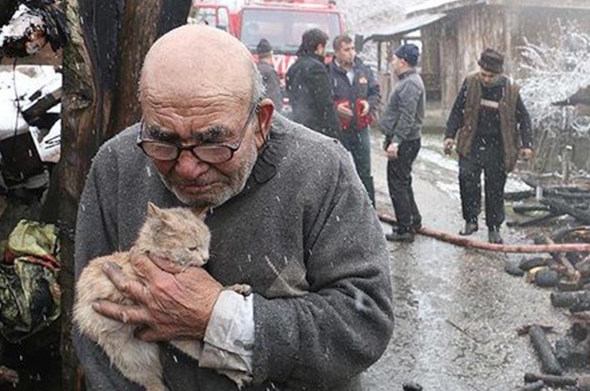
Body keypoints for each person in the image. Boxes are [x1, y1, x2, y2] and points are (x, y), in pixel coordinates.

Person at [73, 24, 393, 391]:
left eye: (214, 142)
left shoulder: (322, 169)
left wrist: (219, 318)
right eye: (164, 140)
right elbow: (92, 329)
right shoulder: (117, 163)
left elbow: (364, 323)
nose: (188, 167)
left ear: (261, 122)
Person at [443, 48, 535, 244]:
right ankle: (471, 220)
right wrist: (449, 135)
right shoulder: (470, 83)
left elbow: (524, 118)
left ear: (499, 74)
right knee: (466, 178)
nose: (485, 79)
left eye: (490, 76)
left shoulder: (510, 89)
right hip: (472, 142)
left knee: (495, 187)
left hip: (498, 146)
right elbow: (457, 110)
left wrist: (527, 144)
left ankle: (494, 228)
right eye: (483, 74)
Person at [378, 44, 425, 242]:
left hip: (405, 141)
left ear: (403, 61)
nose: (392, 62)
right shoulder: (408, 81)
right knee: (403, 181)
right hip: (405, 139)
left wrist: (396, 141)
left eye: (395, 59)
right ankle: (413, 219)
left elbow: (407, 116)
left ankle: (405, 228)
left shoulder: (410, 84)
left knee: (397, 184)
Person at [328, 34, 380, 206]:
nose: (351, 53)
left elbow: (375, 93)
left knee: (364, 170)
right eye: (346, 50)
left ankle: (369, 208)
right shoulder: (328, 72)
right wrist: (336, 108)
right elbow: (322, 100)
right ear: (336, 52)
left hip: (360, 128)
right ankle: (341, 208)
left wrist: (369, 104)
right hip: (338, 130)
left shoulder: (363, 70)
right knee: (338, 171)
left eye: (353, 49)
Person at [285, 28, 339, 138]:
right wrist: (335, 131)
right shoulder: (317, 69)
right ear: (319, 48)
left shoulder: (293, 68)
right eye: (325, 48)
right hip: (316, 130)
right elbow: (325, 103)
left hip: (298, 126)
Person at [255, 38, 283, 110]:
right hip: (267, 112)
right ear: (271, 54)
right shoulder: (270, 72)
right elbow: (274, 97)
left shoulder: (254, 69)